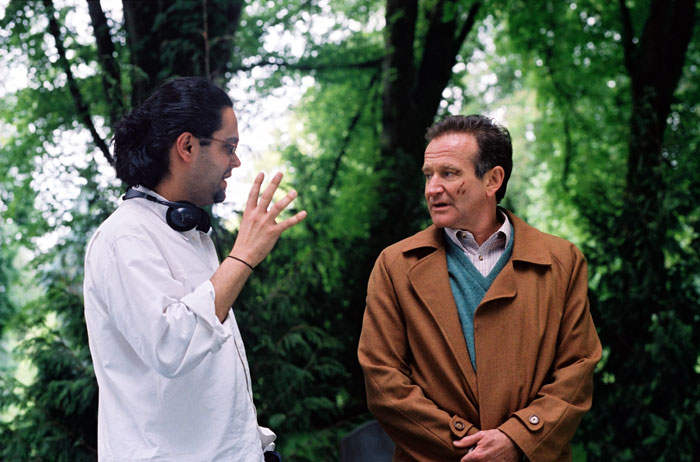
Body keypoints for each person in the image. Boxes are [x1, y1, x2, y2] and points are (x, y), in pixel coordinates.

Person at [83, 77, 306, 461]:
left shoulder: (191, 235)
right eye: (228, 147)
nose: (236, 162)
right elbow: (171, 345)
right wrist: (243, 256)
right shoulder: (125, 237)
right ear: (187, 146)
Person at [358, 115, 601, 462]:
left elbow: (577, 368)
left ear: (493, 180)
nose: (432, 189)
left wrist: (518, 439)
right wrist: (467, 446)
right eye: (428, 175)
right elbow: (383, 380)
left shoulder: (562, 262)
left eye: (449, 173)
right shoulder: (395, 265)